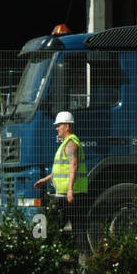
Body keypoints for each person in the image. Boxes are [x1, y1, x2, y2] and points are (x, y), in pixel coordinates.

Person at [34, 111, 89, 259]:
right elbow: (61, 168)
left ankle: (52, 258)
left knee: (53, 226)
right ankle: (80, 261)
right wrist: (46, 179)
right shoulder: (66, 144)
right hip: (68, 194)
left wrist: (70, 189)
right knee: (76, 229)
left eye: (58, 125)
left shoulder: (71, 143)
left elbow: (73, 165)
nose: (56, 128)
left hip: (69, 195)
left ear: (67, 126)